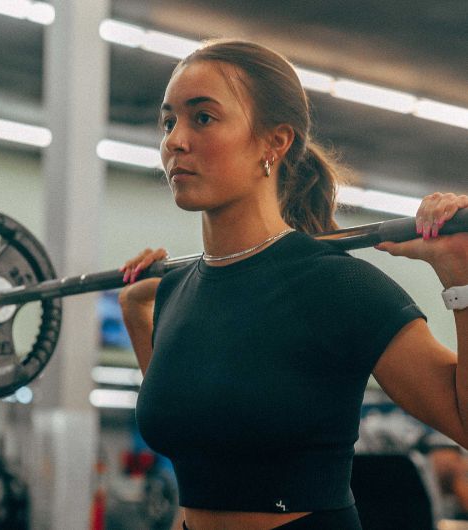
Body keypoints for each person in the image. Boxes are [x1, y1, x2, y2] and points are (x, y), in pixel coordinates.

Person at [118, 39, 468, 530]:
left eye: (202, 118)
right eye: (169, 121)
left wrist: (461, 281)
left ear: (274, 143)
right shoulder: (176, 291)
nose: (175, 140)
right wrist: (136, 313)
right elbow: (198, 429)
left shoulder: (337, 286)